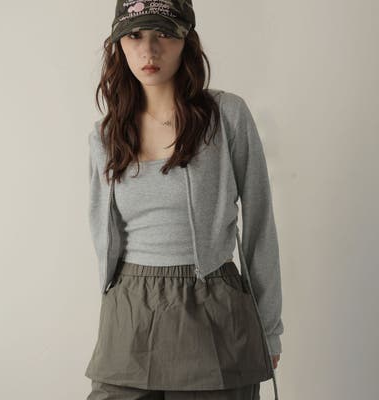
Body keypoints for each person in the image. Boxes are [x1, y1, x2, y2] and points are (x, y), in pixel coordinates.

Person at [85, 1, 284, 399]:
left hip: (212, 309)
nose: (149, 50)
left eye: (163, 34)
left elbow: (260, 223)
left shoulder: (226, 116)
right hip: (127, 312)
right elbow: (104, 237)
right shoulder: (105, 136)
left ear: (186, 40)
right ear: (118, 44)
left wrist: (269, 327)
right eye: (135, 35)